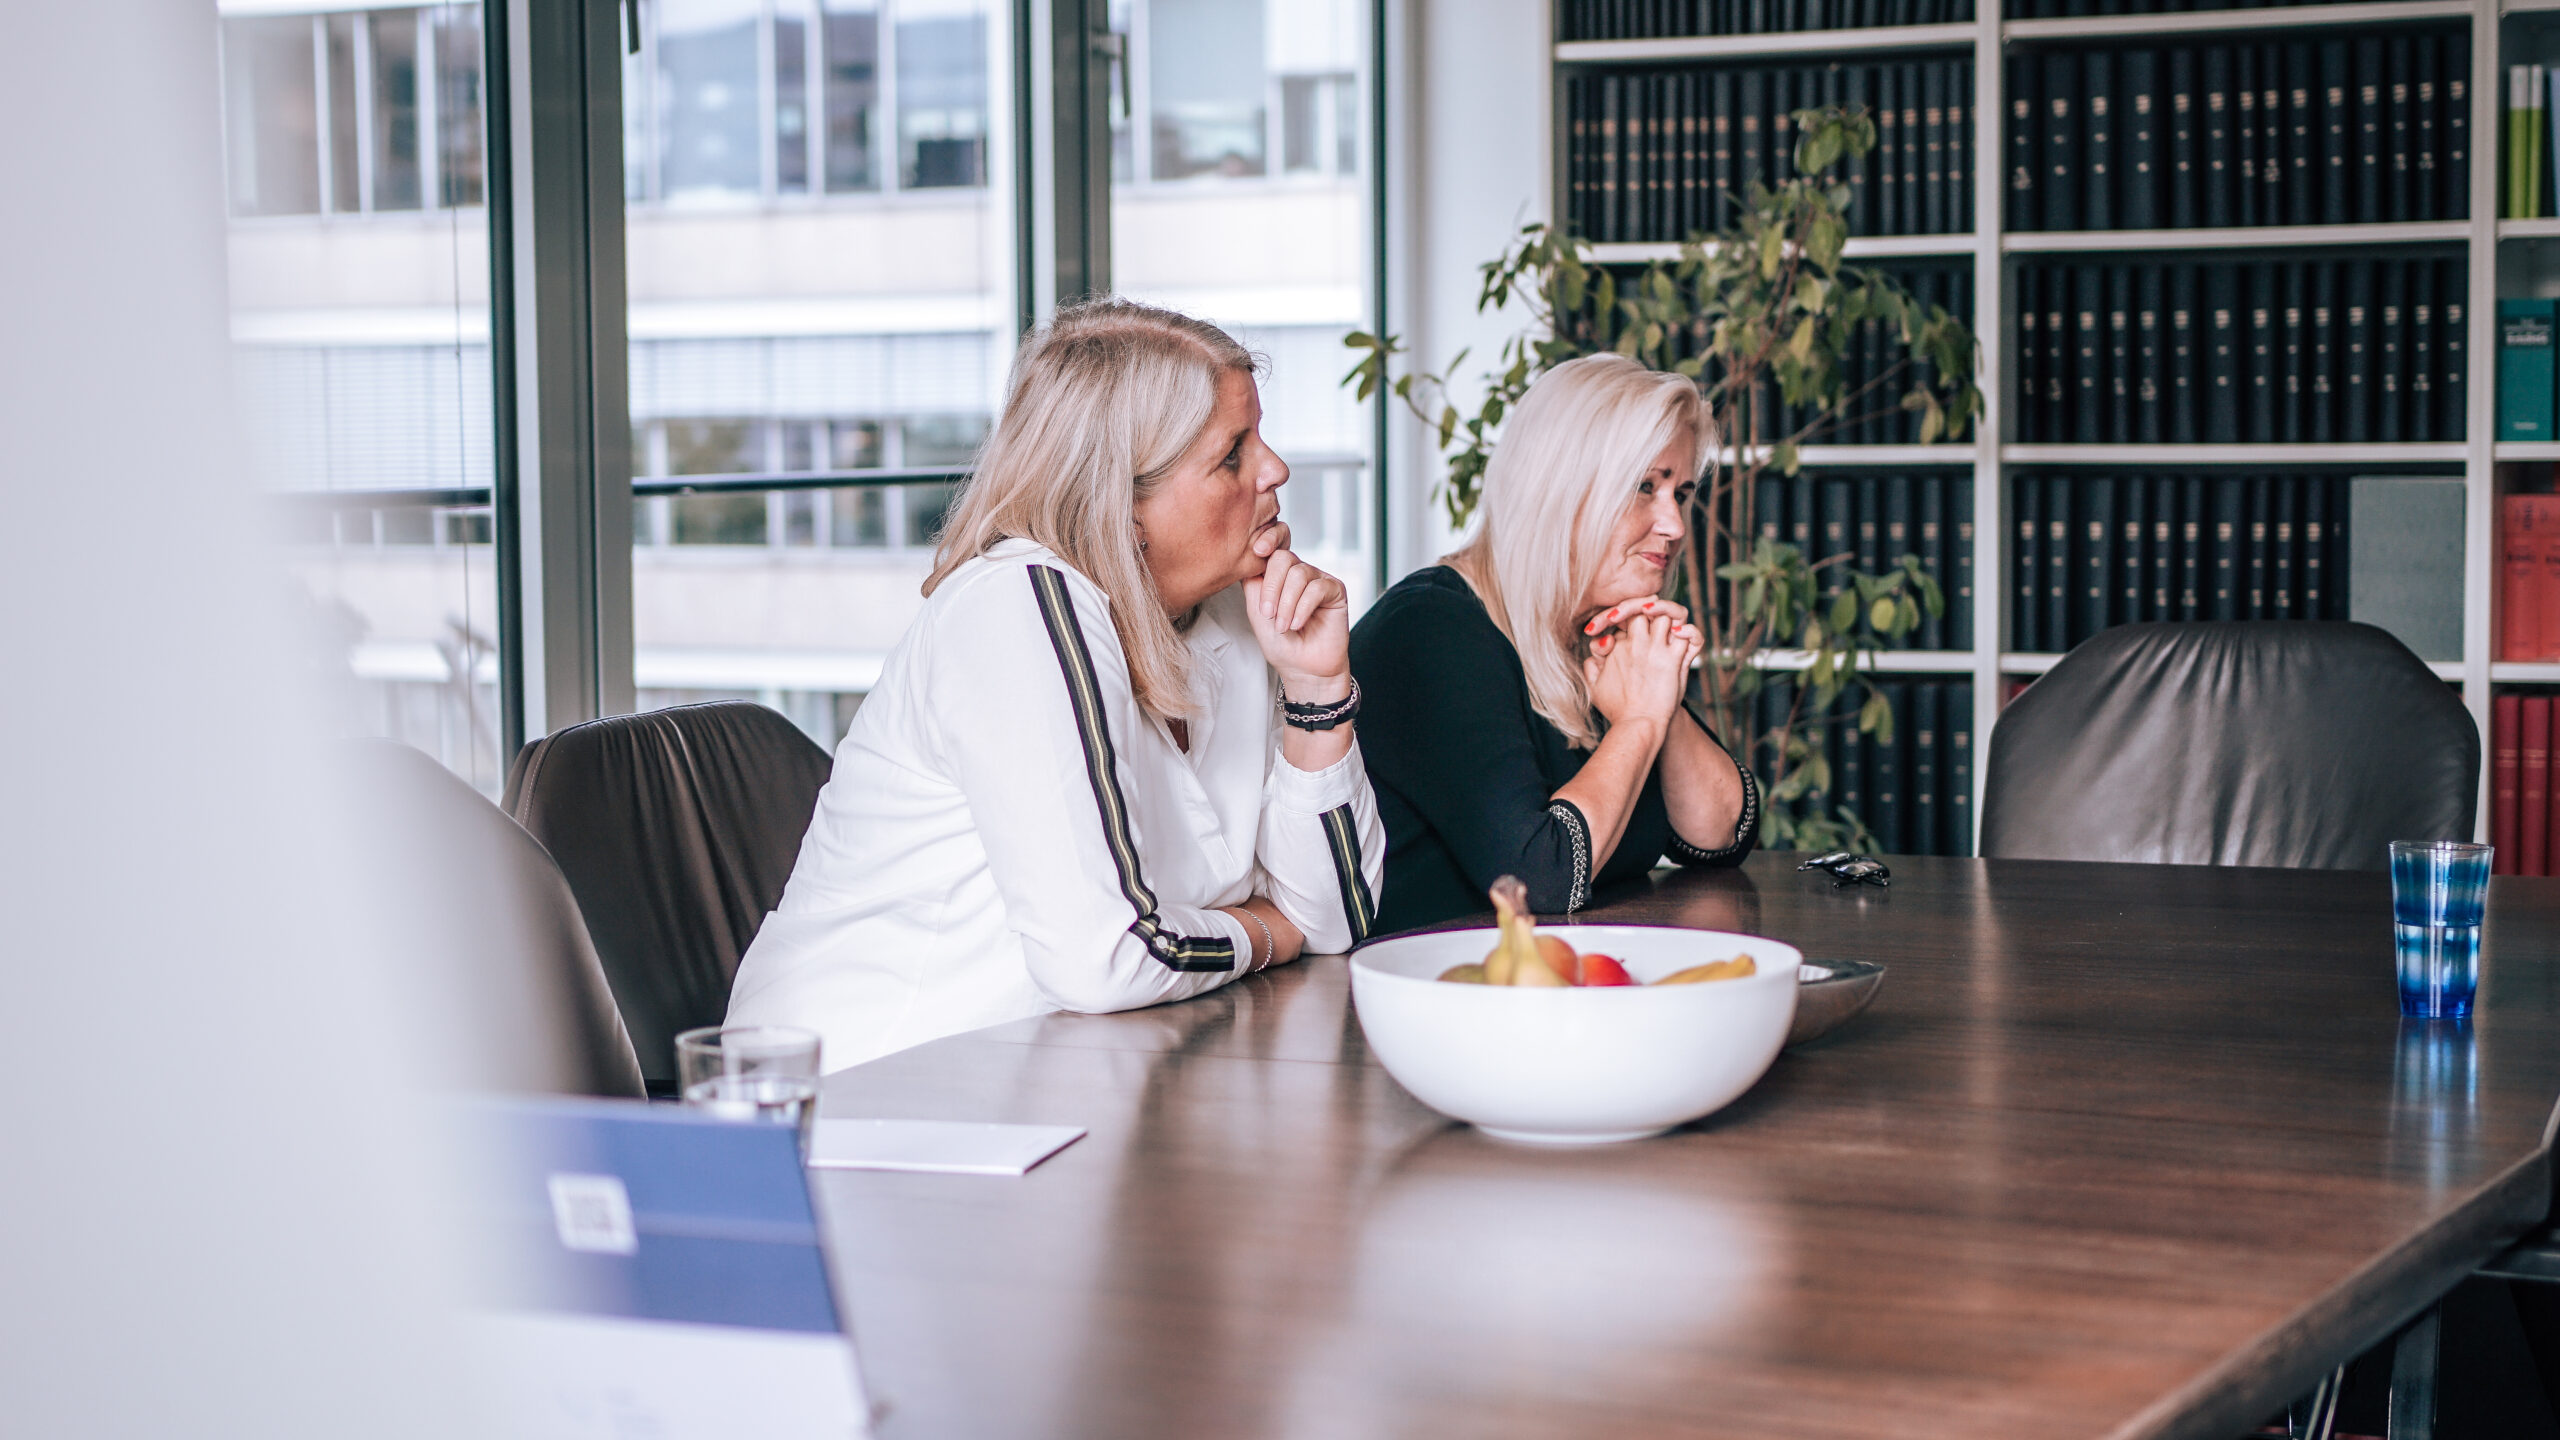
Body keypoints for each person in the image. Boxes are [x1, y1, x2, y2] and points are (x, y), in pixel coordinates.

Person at [727, 299, 1384, 1068]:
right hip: (856, 1097)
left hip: (1055, 1091)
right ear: (1122, 502)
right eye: (1233, 454)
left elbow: (1335, 921)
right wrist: (1265, 929)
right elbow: (1102, 955)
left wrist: (1316, 689)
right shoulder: (1020, 603)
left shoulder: (1236, 620)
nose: (1274, 469)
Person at [1349, 352, 1757, 934]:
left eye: (1681, 492)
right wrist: (1640, 720)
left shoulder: (1594, 629)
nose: (1675, 526)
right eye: (1645, 487)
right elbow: (1540, 880)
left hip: (1551, 983)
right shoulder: (1431, 627)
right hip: (1425, 996)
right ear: (1559, 491)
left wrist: (1658, 696)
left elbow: (1719, 835)